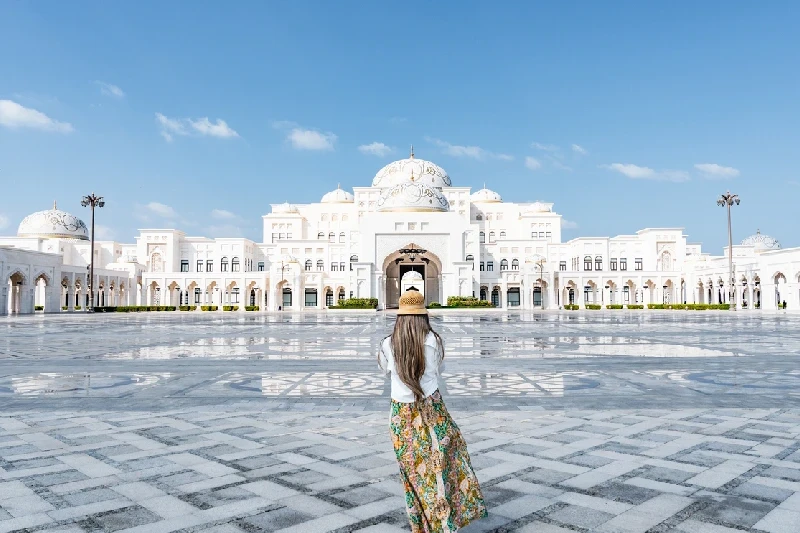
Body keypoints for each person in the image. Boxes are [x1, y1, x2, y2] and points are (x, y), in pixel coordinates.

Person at [378, 290, 487, 532]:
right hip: (431, 410)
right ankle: (444, 520)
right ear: (423, 315)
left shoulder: (387, 343)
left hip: (400, 416)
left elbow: (385, 371)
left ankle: (422, 523)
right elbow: (439, 369)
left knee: (412, 475)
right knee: (442, 467)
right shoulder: (434, 340)